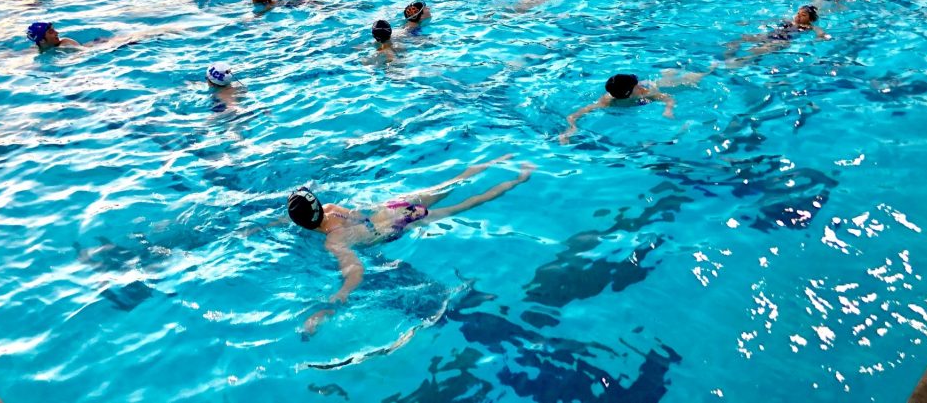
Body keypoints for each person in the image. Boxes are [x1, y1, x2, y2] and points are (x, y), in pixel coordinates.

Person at [286, 155, 533, 334]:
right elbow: (358, 216)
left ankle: (520, 179)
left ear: (303, 225)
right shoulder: (330, 209)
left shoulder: (333, 241)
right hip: (392, 208)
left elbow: (356, 271)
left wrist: (341, 295)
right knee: (451, 183)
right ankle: (500, 159)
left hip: (395, 226)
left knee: (466, 205)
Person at [561, 73, 678, 143]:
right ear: (630, 93)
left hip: (650, 86)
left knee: (679, 82)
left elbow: (668, 98)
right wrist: (571, 129)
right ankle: (668, 73)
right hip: (631, 95)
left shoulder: (646, 92)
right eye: (636, 85)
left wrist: (668, 109)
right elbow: (573, 116)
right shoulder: (607, 101)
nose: (639, 86)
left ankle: (669, 73)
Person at [725, 4, 829, 63]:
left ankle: (736, 63)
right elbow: (768, 20)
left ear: (810, 19)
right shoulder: (789, 20)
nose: (798, 16)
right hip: (772, 34)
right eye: (798, 13)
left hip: (782, 41)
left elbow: (820, 32)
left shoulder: (808, 26)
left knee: (754, 51)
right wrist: (748, 22)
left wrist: (823, 36)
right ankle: (728, 55)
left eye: (803, 15)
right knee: (743, 38)